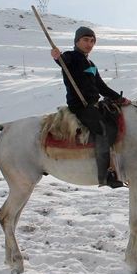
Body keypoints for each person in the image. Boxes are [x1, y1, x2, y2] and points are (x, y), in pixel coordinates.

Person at [51, 26, 130, 189]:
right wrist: (57, 57)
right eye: (86, 40)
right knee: (102, 129)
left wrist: (119, 98)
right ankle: (105, 175)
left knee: (114, 122)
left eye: (92, 41)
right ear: (77, 41)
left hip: (94, 105)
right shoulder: (71, 56)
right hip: (80, 106)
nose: (90, 44)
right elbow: (63, 61)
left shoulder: (91, 63)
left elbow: (101, 86)